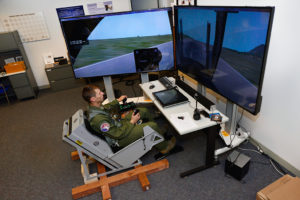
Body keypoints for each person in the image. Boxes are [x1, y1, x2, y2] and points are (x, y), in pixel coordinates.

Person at [82, 84, 178, 157]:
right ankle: (164, 147)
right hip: (119, 139)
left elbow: (107, 107)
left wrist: (118, 100)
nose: (103, 93)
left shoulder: (94, 107)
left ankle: (158, 133)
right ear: (93, 99)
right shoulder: (98, 119)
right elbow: (117, 134)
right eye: (100, 93)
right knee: (151, 126)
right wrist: (132, 121)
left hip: (119, 125)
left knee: (143, 111)